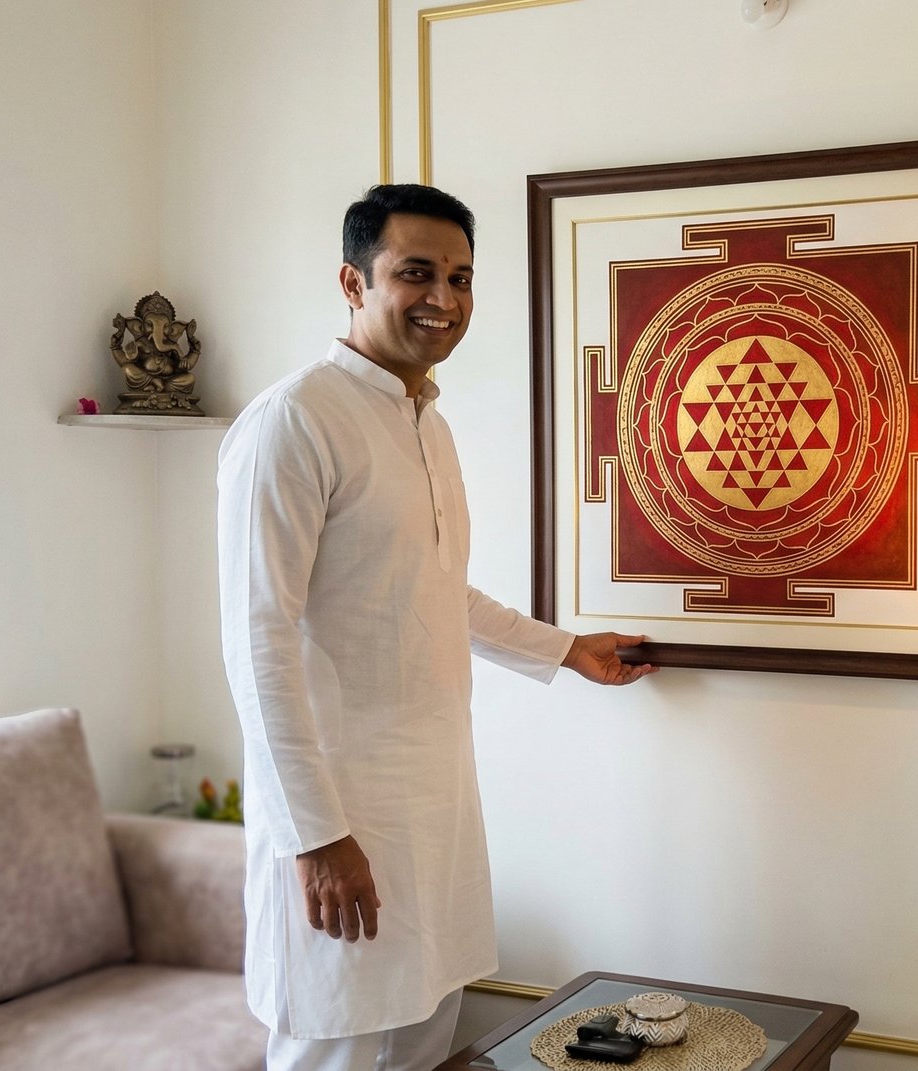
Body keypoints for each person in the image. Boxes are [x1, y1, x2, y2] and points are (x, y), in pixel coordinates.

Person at [217, 184, 656, 1071]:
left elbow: (437, 590)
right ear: (353, 281)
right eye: (416, 273)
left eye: (460, 277)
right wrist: (316, 835)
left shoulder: (431, 425)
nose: (444, 299)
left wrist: (566, 650)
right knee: (335, 1043)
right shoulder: (293, 421)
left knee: (424, 1034)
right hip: (340, 808)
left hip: (433, 799)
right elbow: (259, 642)